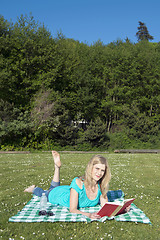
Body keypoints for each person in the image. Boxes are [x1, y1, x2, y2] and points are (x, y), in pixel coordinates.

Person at [24, 151, 112, 219]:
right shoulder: (78, 183)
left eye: (102, 170)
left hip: (66, 190)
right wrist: (88, 215)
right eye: (97, 168)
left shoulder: (101, 186)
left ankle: (57, 167)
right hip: (56, 195)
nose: (99, 173)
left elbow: (106, 207)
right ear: (90, 168)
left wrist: (122, 209)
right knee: (44, 192)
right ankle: (33, 188)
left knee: (54, 187)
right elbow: (72, 210)